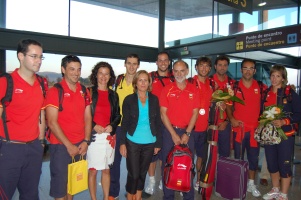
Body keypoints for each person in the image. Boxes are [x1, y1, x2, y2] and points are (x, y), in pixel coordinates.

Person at [0, 39, 46, 200]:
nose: (38, 61)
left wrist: (41, 141)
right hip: (9, 149)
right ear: (20, 56)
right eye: (34, 56)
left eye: (41, 57)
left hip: (33, 148)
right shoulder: (6, 82)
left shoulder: (42, 83)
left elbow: (41, 113)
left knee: (31, 195)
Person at [45, 55, 92, 200]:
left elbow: (88, 117)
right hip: (60, 146)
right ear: (63, 69)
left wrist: (86, 141)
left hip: (79, 145)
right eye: (72, 69)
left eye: (78, 69)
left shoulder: (84, 91)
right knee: (60, 190)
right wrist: (69, 145)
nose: (76, 73)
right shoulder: (54, 92)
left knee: (72, 185)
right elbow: (52, 122)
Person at [226, 58, 267, 197]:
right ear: (241, 70)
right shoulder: (234, 87)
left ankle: (251, 183)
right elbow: (228, 106)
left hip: (254, 131)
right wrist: (232, 119)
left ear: (254, 71)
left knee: (253, 159)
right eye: (245, 68)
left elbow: (272, 97)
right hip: (239, 130)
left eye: (251, 68)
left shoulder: (261, 87)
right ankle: (239, 183)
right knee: (238, 158)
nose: (248, 71)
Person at [160, 60, 200, 200]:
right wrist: (173, 134)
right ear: (172, 72)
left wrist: (187, 133)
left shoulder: (194, 89)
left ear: (187, 71)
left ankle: (188, 196)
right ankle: (168, 196)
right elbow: (163, 113)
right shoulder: (167, 89)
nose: (179, 74)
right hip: (169, 133)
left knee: (188, 164)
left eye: (182, 70)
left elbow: (195, 113)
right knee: (167, 165)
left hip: (188, 133)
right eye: (176, 71)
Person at [120, 70, 162, 200]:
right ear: (136, 83)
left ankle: (138, 196)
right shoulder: (129, 100)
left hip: (150, 142)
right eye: (140, 80)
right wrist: (122, 143)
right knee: (133, 173)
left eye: (146, 80)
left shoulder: (154, 99)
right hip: (132, 141)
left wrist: (158, 143)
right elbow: (125, 122)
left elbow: (158, 122)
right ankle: (130, 196)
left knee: (143, 172)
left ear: (149, 83)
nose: (143, 83)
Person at [262, 65, 301, 200]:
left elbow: (299, 113)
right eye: (272, 75)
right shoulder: (266, 93)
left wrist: (285, 121)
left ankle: (283, 194)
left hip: (285, 136)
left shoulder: (289, 93)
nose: (274, 78)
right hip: (269, 135)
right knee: (272, 164)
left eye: (278, 76)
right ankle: (275, 189)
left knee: (284, 164)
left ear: (283, 78)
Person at [87, 62, 121, 200]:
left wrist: (112, 125)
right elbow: (83, 114)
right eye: (100, 73)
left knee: (107, 170)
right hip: (94, 137)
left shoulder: (113, 94)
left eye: (106, 73)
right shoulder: (88, 92)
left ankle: (106, 198)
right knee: (93, 171)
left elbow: (118, 115)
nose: (103, 76)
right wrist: (94, 125)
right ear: (96, 74)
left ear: (110, 76)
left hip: (108, 137)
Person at [109, 53, 140, 199]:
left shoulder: (140, 82)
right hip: (118, 127)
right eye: (129, 63)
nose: (132, 66)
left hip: (134, 128)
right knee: (114, 162)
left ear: (138, 65)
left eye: (134, 64)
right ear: (125, 64)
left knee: (132, 163)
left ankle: (130, 191)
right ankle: (113, 193)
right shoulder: (117, 81)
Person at [145, 51, 174, 195]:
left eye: (165, 60)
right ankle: (151, 182)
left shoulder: (175, 78)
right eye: (160, 60)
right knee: (152, 155)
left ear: (169, 62)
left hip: (169, 122)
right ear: (156, 62)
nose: (163, 63)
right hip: (153, 123)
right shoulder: (150, 77)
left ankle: (164, 179)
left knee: (166, 153)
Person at [188, 56, 217, 190]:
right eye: (201, 65)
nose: (204, 68)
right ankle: (186, 180)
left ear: (210, 69)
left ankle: (198, 181)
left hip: (205, 128)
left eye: (207, 66)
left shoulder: (212, 85)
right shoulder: (189, 83)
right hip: (190, 127)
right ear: (196, 67)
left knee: (201, 157)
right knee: (188, 157)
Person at [211, 55, 233, 158]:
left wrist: (227, 121)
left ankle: (222, 174)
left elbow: (234, 105)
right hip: (210, 125)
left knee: (224, 155)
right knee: (210, 155)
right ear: (215, 66)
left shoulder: (232, 83)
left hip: (225, 125)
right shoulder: (209, 81)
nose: (222, 67)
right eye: (220, 65)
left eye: (225, 65)